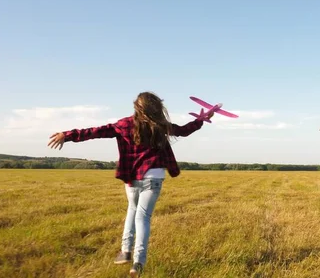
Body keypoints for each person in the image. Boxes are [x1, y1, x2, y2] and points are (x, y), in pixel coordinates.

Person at [47, 91, 211, 277]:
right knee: (142, 217)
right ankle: (138, 262)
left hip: (132, 178)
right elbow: (184, 130)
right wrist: (202, 119)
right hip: (154, 176)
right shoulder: (160, 125)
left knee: (132, 211)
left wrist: (67, 135)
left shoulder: (123, 125)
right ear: (157, 108)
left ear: (137, 107)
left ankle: (125, 251)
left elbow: (94, 132)